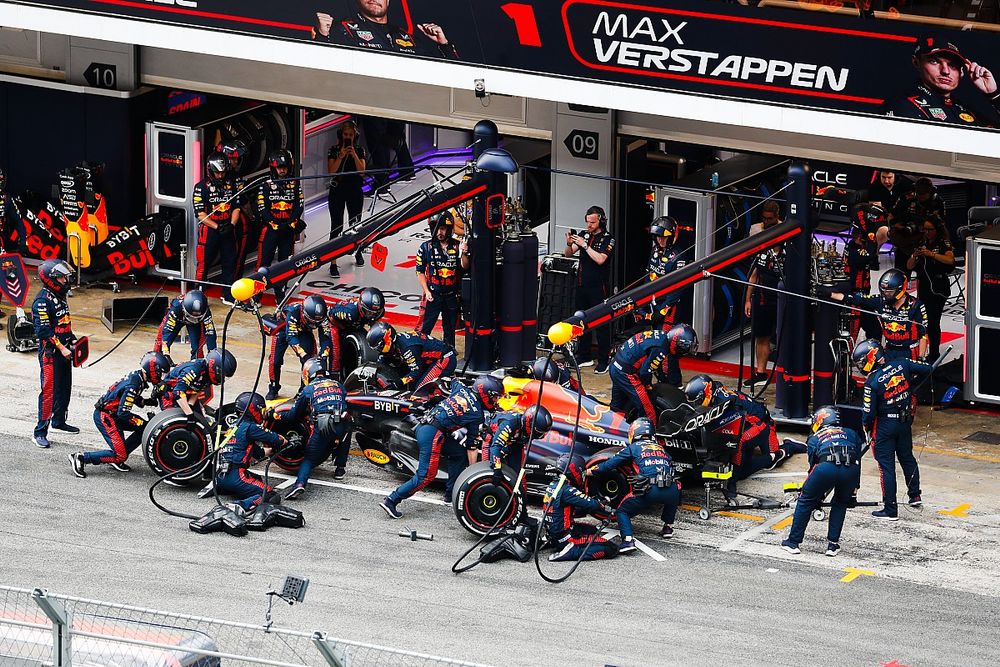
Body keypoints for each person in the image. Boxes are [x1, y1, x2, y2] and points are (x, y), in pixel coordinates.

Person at [379, 376, 503, 517]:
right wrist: (473, 473)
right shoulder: (477, 414)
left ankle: (450, 495)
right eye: (494, 397)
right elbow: (471, 446)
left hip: (425, 424)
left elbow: (451, 379)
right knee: (426, 476)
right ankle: (391, 500)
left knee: (458, 454)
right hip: (432, 434)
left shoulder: (461, 388)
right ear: (485, 393)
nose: (496, 401)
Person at [854, 339, 933, 520]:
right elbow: (928, 368)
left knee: (886, 467)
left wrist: (866, 428)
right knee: (907, 458)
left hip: (885, 427)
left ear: (871, 359)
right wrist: (910, 387)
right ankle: (915, 496)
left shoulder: (872, 383)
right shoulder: (902, 363)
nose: (861, 366)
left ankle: (890, 509)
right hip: (905, 422)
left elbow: (868, 414)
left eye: (862, 362)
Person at [684, 374, 797, 499]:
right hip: (745, 424)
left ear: (707, 393)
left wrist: (732, 478)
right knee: (743, 468)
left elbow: (733, 437)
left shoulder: (725, 402)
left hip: (762, 424)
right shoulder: (714, 391)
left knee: (749, 448)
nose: (697, 404)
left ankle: (788, 447)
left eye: (698, 401)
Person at [69, 352, 171, 478]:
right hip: (106, 417)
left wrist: (147, 402)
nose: (161, 376)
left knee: (144, 429)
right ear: (153, 370)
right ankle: (81, 458)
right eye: (160, 373)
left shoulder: (137, 377)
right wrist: (141, 422)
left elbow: (128, 397)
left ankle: (116, 456)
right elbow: (124, 413)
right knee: (121, 454)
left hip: (114, 414)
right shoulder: (134, 384)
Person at [780, 406, 864, 557]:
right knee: (840, 503)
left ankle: (793, 542)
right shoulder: (851, 433)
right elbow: (857, 459)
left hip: (825, 468)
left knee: (805, 501)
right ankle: (832, 545)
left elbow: (813, 467)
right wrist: (853, 492)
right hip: (851, 469)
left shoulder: (814, 438)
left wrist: (813, 494)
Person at [586, 418, 681, 550]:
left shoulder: (634, 447)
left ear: (634, 433)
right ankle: (668, 528)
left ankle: (628, 541)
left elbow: (610, 464)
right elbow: (672, 468)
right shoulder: (662, 449)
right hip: (672, 489)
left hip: (650, 489)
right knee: (673, 494)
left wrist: (591, 471)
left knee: (622, 511)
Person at [884, 35, 1000, 127]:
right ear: (916, 62)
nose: (945, 71)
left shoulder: (967, 111)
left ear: (962, 72)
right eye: (934, 62)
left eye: (952, 65)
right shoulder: (903, 105)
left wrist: (994, 95)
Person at [278, 357, 353, 497]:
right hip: (342, 423)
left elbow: (293, 415)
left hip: (324, 426)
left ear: (308, 373)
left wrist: (277, 415)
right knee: (346, 430)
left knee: (309, 458)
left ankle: (300, 484)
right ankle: (340, 469)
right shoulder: (339, 385)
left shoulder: (308, 389)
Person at [828, 269, 929, 361]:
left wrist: (921, 358)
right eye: (883, 291)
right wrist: (829, 294)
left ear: (900, 289)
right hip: (889, 351)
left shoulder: (916, 305)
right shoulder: (881, 301)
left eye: (890, 292)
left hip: (910, 353)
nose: (886, 294)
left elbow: (923, 334)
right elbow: (856, 299)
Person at [214, 391, 287, 513]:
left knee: (257, 478)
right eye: (261, 410)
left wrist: (272, 451)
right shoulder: (251, 427)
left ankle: (226, 489)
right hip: (237, 477)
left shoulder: (233, 425)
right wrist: (288, 440)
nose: (262, 413)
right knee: (271, 495)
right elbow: (277, 440)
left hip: (220, 477)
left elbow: (258, 453)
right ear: (253, 409)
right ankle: (239, 505)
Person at [32, 259, 78, 448]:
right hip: (50, 353)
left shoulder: (60, 295)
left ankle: (59, 421)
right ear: (51, 279)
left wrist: (73, 339)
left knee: (64, 388)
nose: (65, 280)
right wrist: (62, 347)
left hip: (64, 350)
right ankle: (39, 432)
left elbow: (63, 323)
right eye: (61, 277)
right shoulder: (42, 301)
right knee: (49, 392)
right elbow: (43, 331)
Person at [313, 0, 459, 59]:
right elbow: (323, 68)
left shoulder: (407, 37)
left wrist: (444, 45)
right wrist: (322, 36)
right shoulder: (342, 29)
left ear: (388, 1)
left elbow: (449, 77)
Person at [610, 324, 698, 422]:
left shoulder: (662, 336)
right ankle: (645, 430)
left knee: (616, 407)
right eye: (685, 349)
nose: (685, 352)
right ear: (677, 343)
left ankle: (611, 426)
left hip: (616, 366)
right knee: (647, 410)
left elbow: (653, 365)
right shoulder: (661, 348)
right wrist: (648, 386)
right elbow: (644, 373)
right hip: (625, 373)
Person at [564, 206, 616, 373]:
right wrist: (569, 243)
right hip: (581, 285)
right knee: (580, 321)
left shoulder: (608, 239)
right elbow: (568, 254)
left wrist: (585, 246)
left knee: (601, 324)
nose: (589, 226)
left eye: (592, 222)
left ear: (601, 221)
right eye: (587, 222)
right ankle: (584, 355)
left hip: (598, 288)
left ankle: (604, 359)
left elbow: (601, 259)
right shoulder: (584, 234)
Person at [543, 454, 619, 562]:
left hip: (555, 533)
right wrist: (604, 505)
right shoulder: (567, 489)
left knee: (592, 530)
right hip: (565, 537)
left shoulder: (553, 484)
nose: (582, 475)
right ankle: (571, 551)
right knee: (611, 548)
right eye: (581, 472)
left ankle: (555, 542)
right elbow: (592, 504)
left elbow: (575, 510)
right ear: (574, 470)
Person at [193, 152, 242, 304]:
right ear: (210, 170)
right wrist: (216, 226)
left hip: (228, 228)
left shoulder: (232, 184)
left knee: (230, 261)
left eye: (223, 172)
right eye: (217, 172)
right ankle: (198, 296)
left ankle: (228, 294)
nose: (220, 175)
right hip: (209, 230)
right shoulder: (201, 187)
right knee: (203, 264)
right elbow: (200, 214)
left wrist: (231, 224)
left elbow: (237, 207)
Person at [256, 149, 304, 303]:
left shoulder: (295, 183)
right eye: (279, 167)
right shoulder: (265, 185)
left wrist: (290, 223)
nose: (282, 170)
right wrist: (274, 223)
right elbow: (262, 208)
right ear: (273, 168)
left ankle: (280, 293)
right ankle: (257, 294)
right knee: (264, 262)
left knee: (285, 263)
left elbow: (299, 206)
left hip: (288, 230)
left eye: (285, 167)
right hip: (271, 230)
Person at [416, 212, 469, 348]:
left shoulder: (457, 245)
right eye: (436, 228)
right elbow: (420, 271)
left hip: (451, 296)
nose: (439, 232)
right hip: (433, 295)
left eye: (443, 228)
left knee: (450, 330)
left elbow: (465, 267)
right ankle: (420, 350)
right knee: (425, 328)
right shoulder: (425, 247)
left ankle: (449, 351)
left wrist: (463, 253)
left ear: (449, 229)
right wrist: (427, 291)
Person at [744, 214, 784, 386]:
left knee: (787, 338)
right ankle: (760, 373)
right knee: (762, 337)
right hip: (762, 300)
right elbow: (753, 277)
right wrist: (747, 300)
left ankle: (787, 373)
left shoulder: (789, 252)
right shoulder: (761, 252)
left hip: (784, 301)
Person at [906, 218, 955, 362]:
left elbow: (950, 260)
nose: (927, 232)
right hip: (924, 287)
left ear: (937, 230)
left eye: (930, 230)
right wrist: (915, 256)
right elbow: (909, 266)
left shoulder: (943, 243)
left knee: (933, 322)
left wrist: (931, 254)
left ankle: (934, 354)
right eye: (925, 229)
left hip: (938, 287)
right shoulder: (921, 242)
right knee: (921, 320)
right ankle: (920, 351)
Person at [266, 296, 332, 401]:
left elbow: (326, 338)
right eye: (311, 321)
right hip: (284, 330)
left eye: (317, 322)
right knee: (275, 361)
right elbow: (291, 337)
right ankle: (273, 387)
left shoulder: (324, 317)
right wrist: (303, 354)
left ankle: (303, 390)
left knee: (311, 361)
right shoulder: (293, 312)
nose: (314, 324)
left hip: (305, 332)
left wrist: (323, 355)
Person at [326, 120, 368, 276]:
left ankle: (357, 251)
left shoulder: (359, 150)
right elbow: (332, 171)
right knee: (336, 226)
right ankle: (333, 262)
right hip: (338, 190)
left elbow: (362, 171)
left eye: (351, 135)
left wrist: (353, 154)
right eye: (346, 134)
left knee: (355, 224)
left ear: (355, 136)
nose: (348, 137)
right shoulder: (333, 150)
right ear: (341, 135)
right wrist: (341, 156)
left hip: (354, 190)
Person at [366, 322, 456, 395]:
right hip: (430, 360)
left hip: (445, 359)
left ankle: (440, 401)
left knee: (420, 390)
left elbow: (416, 371)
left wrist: (399, 382)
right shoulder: (397, 342)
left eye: (380, 347)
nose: (379, 350)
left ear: (388, 339)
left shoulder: (407, 348)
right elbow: (383, 361)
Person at [157, 348, 237, 417]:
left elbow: (197, 389)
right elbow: (178, 392)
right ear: (215, 368)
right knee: (178, 422)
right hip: (170, 394)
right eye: (222, 375)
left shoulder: (207, 374)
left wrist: (190, 405)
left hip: (186, 394)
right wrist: (189, 414)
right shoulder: (194, 369)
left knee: (199, 420)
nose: (223, 379)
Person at [482, 405, 552, 482]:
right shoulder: (510, 423)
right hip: (492, 440)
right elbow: (496, 446)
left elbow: (517, 447)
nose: (541, 436)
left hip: (513, 444)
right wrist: (497, 468)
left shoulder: (527, 430)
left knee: (518, 476)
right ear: (530, 425)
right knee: (488, 472)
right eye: (539, 432)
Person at [637, 216, 685, 330]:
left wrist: (663, 311)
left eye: (664, 237)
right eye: (658, 237)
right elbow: (648, 276)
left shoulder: (678, 256)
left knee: (664, 335)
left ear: (671, 237)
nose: (660, 240)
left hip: (669, 306)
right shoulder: (654, 250)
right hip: (654, 302)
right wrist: (643, 301)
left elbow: (677, 288)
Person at [890, 178, 945, 275]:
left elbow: (941, 225)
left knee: (925, 273)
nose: (920, 197)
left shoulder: (937, 201)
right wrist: (899, 226)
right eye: (918, 194)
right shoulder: (906, 198)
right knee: (901, 273)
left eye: (923, 194)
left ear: (930, 192)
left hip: (926, 242)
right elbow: (892, 217)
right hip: (905, 239)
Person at [328, 286, 385, 378]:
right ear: (362, 307)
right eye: (369, 312)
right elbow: (330, 316)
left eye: (376, 313)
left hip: (355, 324)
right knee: (336, 351)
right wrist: (343, 328)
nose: (372, 315)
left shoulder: (379, 312)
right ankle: (335, 374)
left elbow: (374, 324)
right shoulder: (350, 312)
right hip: (336, 323)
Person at [842, 226, 882, 343]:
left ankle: (872, 352)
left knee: (875, 331)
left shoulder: (859, 247)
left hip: (864, 297)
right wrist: (872, 240)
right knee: (851, 334)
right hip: (853, 299)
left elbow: (874, 263)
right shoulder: (854, 250)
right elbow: (870, 254)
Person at [154, 290, 217, 360]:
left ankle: (196, 363)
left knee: (197, 347)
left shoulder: (206, 312)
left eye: (196, 316)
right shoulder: (176, 307)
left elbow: (210, 333)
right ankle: (157, 361)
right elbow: (167, 330)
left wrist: (212, 354)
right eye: (191, 316)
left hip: (195, 324)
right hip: (176, 320)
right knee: (161, 342)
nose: (193, 318)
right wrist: (165, 349)